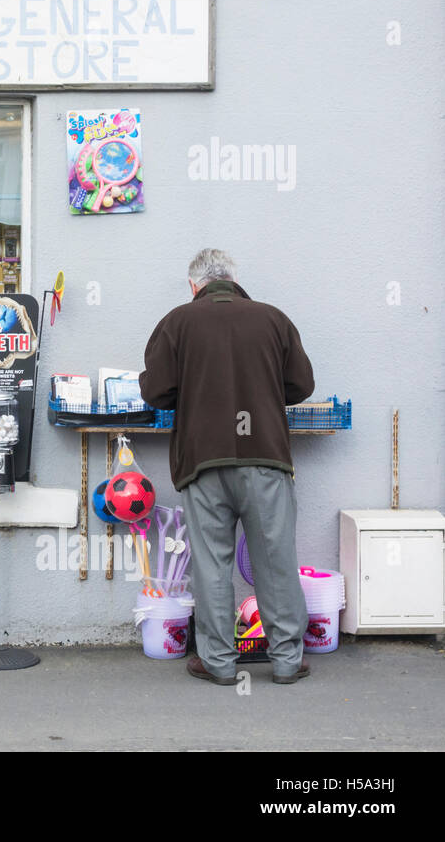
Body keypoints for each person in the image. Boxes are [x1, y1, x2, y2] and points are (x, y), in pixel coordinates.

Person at [139, 249, 315, 686]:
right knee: (275, 559)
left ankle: (217, 663)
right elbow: (301, 385)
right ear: (235, 280)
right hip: (265, 458)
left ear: (194, 285)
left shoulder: (177, 321)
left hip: (203, 460)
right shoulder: (273, 319)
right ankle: (287, 661)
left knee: (211, 564)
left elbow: (156, 392)